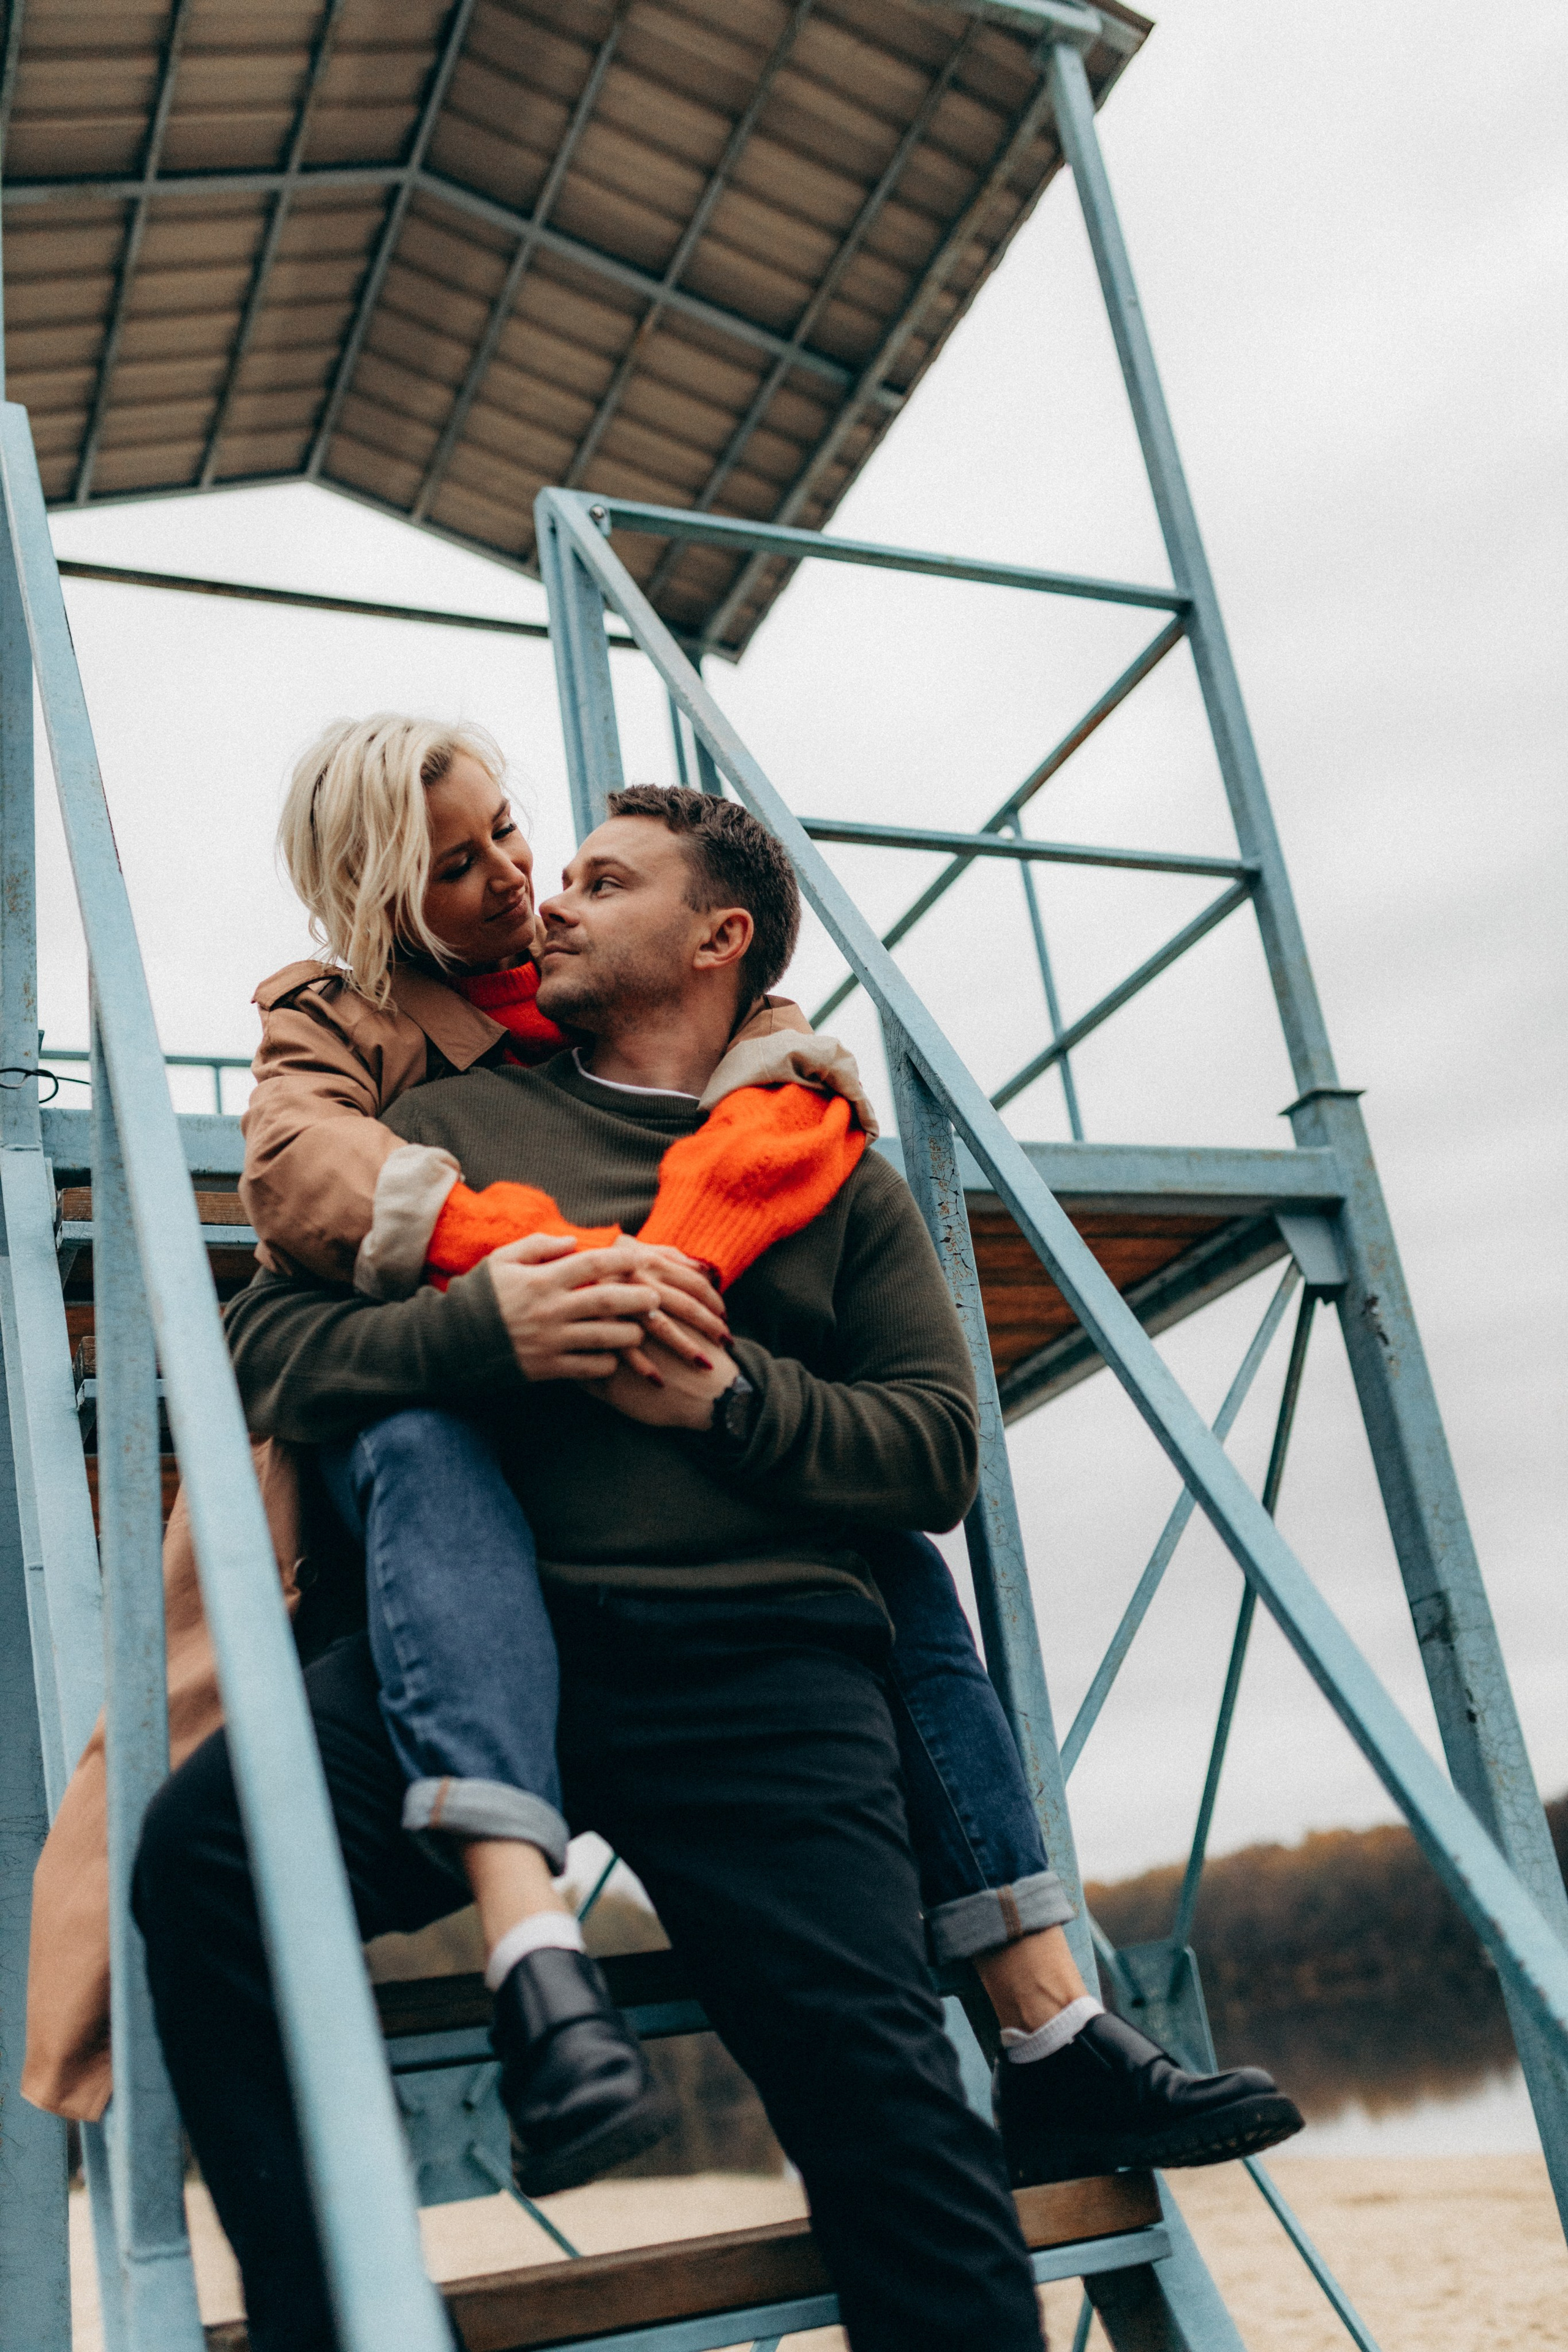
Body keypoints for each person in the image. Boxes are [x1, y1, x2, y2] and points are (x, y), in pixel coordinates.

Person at [132, 788, 1300, 2351]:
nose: (547, 900)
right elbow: (264, 1348)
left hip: (763, 1677)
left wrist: (734, 1401)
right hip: (478, 1652)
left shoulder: (829, 1165)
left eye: (602, 881)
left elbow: (934, 1450)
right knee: (198, 1861)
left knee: (892, 2116)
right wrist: (486, 1329)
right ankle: (326, 2324)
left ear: (715, 938)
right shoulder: (450, 1132)